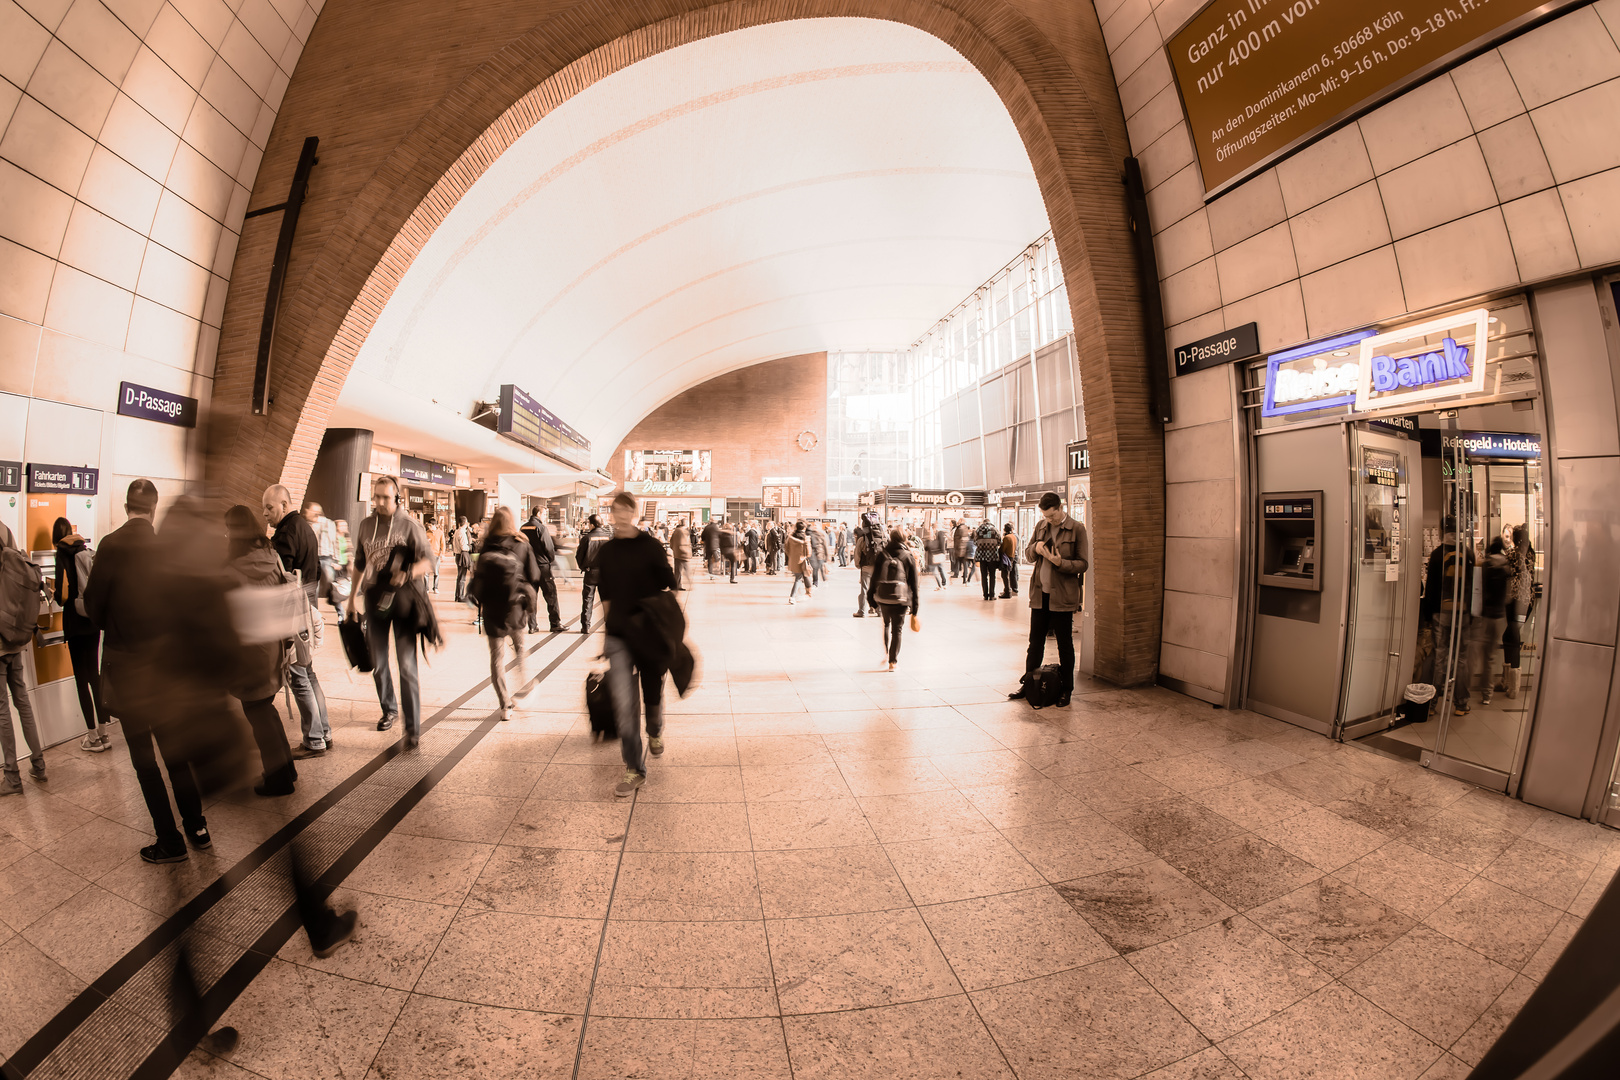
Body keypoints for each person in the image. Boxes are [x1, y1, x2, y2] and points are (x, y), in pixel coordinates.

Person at [84, 480, 211, 860]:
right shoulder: (165, 548)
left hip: (128, 671)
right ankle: (198, 828)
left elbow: (93, 608)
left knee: (144, 759)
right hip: (166, 670)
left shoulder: (110, 545)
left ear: (127, 507)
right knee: (176, 755)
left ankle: (169, 841)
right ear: (154, 508)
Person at [595, 491, 678, 796]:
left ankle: (655, 729)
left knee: (652, 694)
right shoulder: (606, 552)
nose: (618, 515)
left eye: (623, 510)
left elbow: (670, 582)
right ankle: (634, 768)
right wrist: (606, 635)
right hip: (619, 636)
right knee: (624, 706)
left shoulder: (652, 546)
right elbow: (604, 595)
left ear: (633, 512)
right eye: (614, 510)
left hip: (650, 633)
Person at [349, 475, 436, 747]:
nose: (381, 502)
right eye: (377, 497)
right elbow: (360, 564)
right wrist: (352, 597)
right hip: (376, 599)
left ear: (397, 498)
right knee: (378, 661)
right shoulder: (365, 525)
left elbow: (429, 561)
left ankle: (413, 729)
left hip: (405, 601)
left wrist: (409, 572)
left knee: (407, 664)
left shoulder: (410, 525)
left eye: (386, 497)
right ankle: (389, 709)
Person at [223, 505, 299, 796]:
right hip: (273, 646)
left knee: (258, 714)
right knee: (265, 709)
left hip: (249, 651)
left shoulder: (231, 569)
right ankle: (286, 770)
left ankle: (278, 780)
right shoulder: (272, 556)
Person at [264, 485, 331, 758]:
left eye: (269, 507)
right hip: (307, 609)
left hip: (293, 614)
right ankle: (323, 732)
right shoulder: (304, 527)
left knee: (298, 676)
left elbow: (280, 579)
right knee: (309, 673)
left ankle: (314, 739)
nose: (265, 514)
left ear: (283, 504)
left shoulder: (286, 533)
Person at [1008, 493, 1088, 709]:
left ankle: (1066, 689)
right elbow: (1027, 555)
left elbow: (1083, 564)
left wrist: (1059, 562)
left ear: (1060, 508)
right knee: (1035, 644)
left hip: (1062, 596)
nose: (1049, 520)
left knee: (1064, 644)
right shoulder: (1041, 525)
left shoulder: (1077, 528)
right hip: (1039, 594)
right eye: (1045, 516)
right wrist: (1035, 548)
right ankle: (1029, 684)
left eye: (1052, 516)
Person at [472, 507, 541, 720]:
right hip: (515, 609)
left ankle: (505, 706)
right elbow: (534, 575)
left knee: (496, 658)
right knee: (520, 649)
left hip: (492, 611)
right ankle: (526, 686)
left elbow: (478, 581)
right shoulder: (522, 544)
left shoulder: (486, 546)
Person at [52, 517, 108, 752]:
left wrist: (51, 591)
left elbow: (62, 595)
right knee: (94, 675)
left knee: (81, 679)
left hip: (75, 623)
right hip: (91, 621)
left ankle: (92, 737)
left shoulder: (61, 553)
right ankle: (105, 733)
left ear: (57, 536)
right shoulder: (85, 549)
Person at [0, 524, 47, 795]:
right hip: (15, 632)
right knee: (22, 701)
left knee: (2, 709)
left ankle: (12, 777)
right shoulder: (6, 531)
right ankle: (39, 765)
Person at [1422, 517, 1477, 716]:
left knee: (1440, 657)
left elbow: (1430, 589)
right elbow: (1474, 587)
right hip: (1462, 613)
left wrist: (1428, 614)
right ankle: (1461, 704)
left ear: (1442, 531)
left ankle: (1432, 703)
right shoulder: (1468, 553)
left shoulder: (1437, 555)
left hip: (1441, 612)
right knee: (1461, 658)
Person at [867, 528, 920, 671]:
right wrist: (915, 608)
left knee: (886, 624)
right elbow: (914, 584)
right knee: (897, 630)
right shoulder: (908, 555)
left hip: (884, 597)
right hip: (902, 598)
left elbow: (874, 578)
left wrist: (870, 598)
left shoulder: (882, 554)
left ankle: (886, 653)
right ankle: (893, 661)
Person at [1471, 537, 1511, 707]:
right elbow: (1509, 596)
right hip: (1499, 616)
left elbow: (1477, 590)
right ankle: (1487, 694)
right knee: (1490, 657)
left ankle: (1464, 688)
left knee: (1474, 655)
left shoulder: (1485, 565)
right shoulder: (1506, 566)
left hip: (1483, 616)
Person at [1500, 526, 1535, 699]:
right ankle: (1507, 681)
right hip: (1526, 602)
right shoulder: (1531, 554)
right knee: (1508, 637)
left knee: (1512, 639)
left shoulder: (1513, 554)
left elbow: (1503, 570)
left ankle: (1513, 686)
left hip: (1515, 601)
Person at [520, 509, 564, 632]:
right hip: (542, 566)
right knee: (551, 595)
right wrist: (549, 560)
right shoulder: (541, 528)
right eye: (544, 514)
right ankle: (555, 624)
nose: (545, 516)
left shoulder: (522, 528)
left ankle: (532, 626)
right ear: (538, 513)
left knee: (531, 595)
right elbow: (548, 547)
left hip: (528, 567)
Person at [576, 515, 610, 631]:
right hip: (605, 573)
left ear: (592, 524)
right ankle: (609, 624)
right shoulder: (609, 537)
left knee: (587, 599)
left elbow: (579, 555)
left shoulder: (587, 538)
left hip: (591, 572)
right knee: (606, 599)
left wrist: (584, 567)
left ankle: (586, 625)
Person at [305, 500, 340, 601]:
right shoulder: (309, 525)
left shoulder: (328, 523)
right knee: (314, 584)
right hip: (314, 557)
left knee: (331, 581)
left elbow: (335, 541)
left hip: (326, 556)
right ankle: (314, 607)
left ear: (316, 512)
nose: (306, 513)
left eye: (309, 511)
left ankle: (336, 603)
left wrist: (336, 559)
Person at [852, 514, 881, 617]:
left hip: (867, 567)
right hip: (880, 567)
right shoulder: (883, 535)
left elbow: (857, 554)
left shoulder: (863, 539)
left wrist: (858, 565)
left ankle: (861, 611)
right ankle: (879, 611)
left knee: (864, 589)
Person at [786, 522, 813, 604]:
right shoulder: (806, 539)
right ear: (804, 528)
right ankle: (792, 597)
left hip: (793, 561)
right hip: (802, 561)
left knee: (802, 576)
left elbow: (786, 549)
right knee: (798, 579)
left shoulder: (790, 538)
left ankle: (808, 592)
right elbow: (809, 553)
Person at [975, 519, 1002, 600]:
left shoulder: (978, 530)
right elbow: (1000, 542)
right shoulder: (995, 530)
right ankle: (992, 595)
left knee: (984, 576)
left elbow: (975, 542)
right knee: (992, 576)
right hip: (992, 555)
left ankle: (985, 595)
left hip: (981, 556)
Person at [452, 515, 474, 602]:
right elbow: (464, 547)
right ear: (465, 522)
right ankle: (460, 596)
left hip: (458, 555)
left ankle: (457, 596)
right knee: (462, 577)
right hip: (462, 555)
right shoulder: (462, 532)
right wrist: (470, 546)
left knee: (460, 576)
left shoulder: (457, 531)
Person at [670, 517, 694, 590]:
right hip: (683, 554)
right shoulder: (682, 532)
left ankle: (676, 585)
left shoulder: (676, 531)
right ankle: (690, 585)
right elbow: (683, 543)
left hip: (677, 554)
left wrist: (674, 549)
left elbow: (671, 542)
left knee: (678, 571)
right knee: (687, 570)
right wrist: (687, 552)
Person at [423, 513, 444, 594]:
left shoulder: (440, 533)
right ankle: (426, 588)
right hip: (427, 555)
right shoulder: (426, 533)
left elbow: (442, 544)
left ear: (434, 525)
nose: (429, 527)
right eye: (428, 526)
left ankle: (435, 588)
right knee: (426, 573)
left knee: (436, 572)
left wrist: (442, 554)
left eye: (430, 526)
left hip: (436, 555)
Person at [924, 523, 948, 590]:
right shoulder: (939, 534)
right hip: (938, 554)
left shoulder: (937, 534)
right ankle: (943, 584)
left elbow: (927, 547)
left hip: (935, 555)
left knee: (936, 571)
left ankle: (941, 585)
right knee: (941, 569)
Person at [1000, 521, 1021, 598]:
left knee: (1006, 574)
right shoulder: (1015, 536)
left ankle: (1009, 590)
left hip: (1009, 557)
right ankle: (1013, 589)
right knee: (1013, 573)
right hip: (1014, 556)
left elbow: (1003, 549)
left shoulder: (1007, 537)